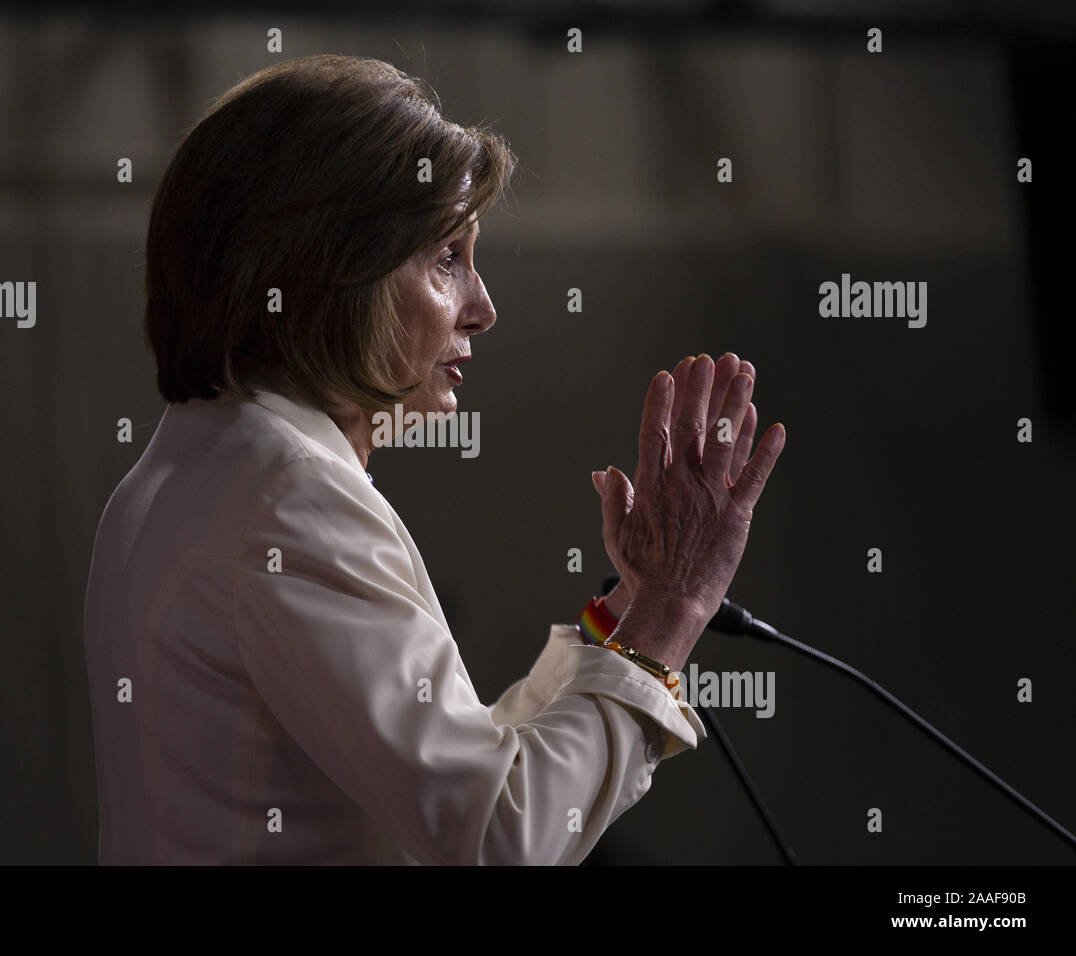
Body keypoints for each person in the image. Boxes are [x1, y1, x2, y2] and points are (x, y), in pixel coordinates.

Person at [82, 53, 786, 865]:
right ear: (330, 272)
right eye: (448, 258)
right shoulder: (291, 499)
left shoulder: (192, 465)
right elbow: (499, 838)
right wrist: (673, 611)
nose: (483, 308)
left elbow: (458, 784)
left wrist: (625, 621)